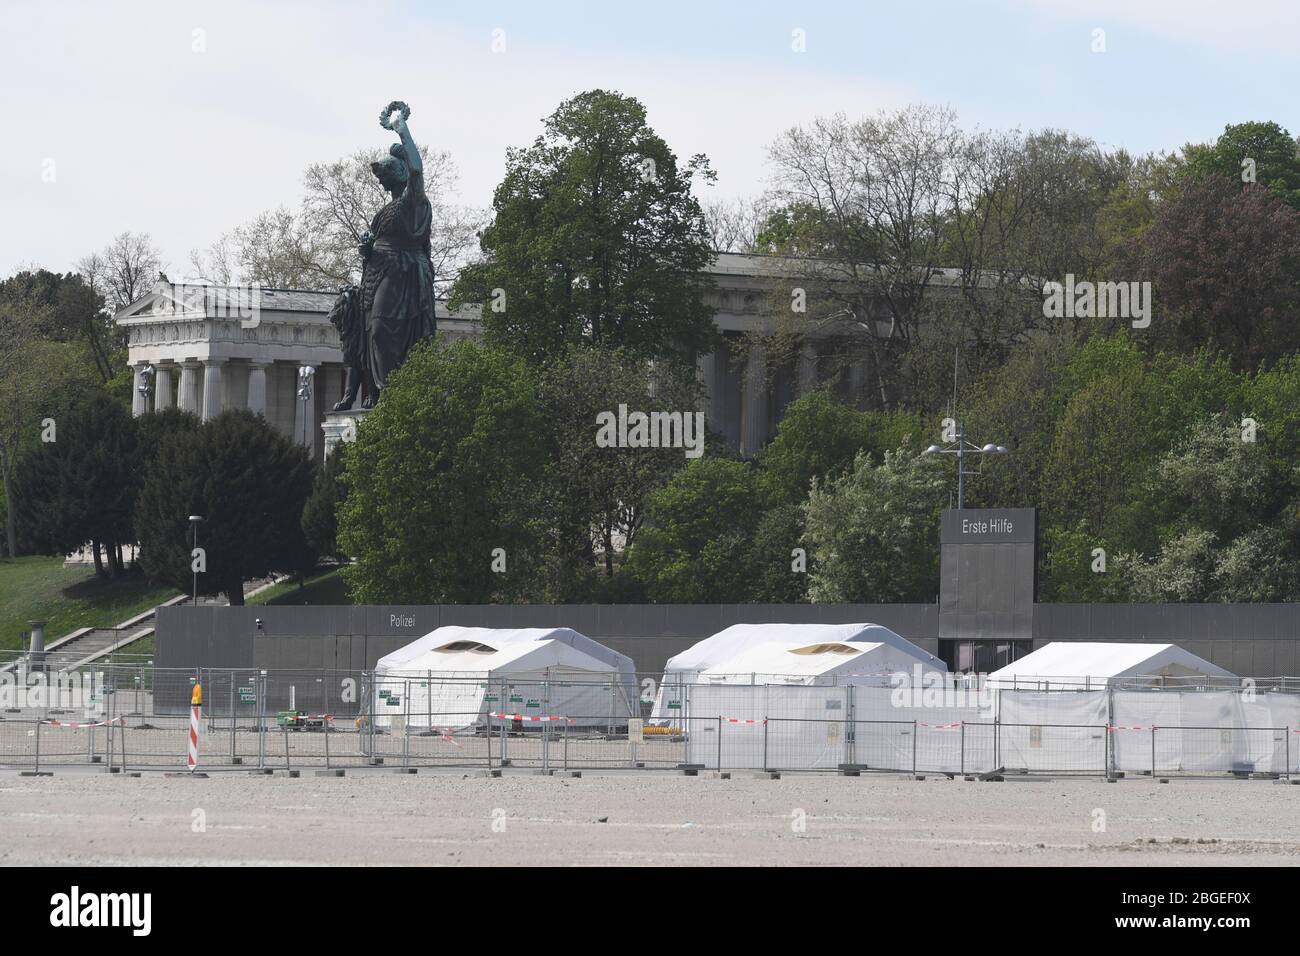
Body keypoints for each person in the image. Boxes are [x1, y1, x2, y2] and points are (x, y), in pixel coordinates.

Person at [359, 113, 436, 406]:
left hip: (404, 274)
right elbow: (373, 243)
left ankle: (400, 392)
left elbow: (417, 169)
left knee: (381, 330)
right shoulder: (386, 210)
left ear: (400, 173)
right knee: (374, 332)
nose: (382, 182)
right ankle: (388, 392)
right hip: (381, 273)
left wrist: (403, 130)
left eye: (385, 175)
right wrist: (366, 249)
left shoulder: (413, 200)